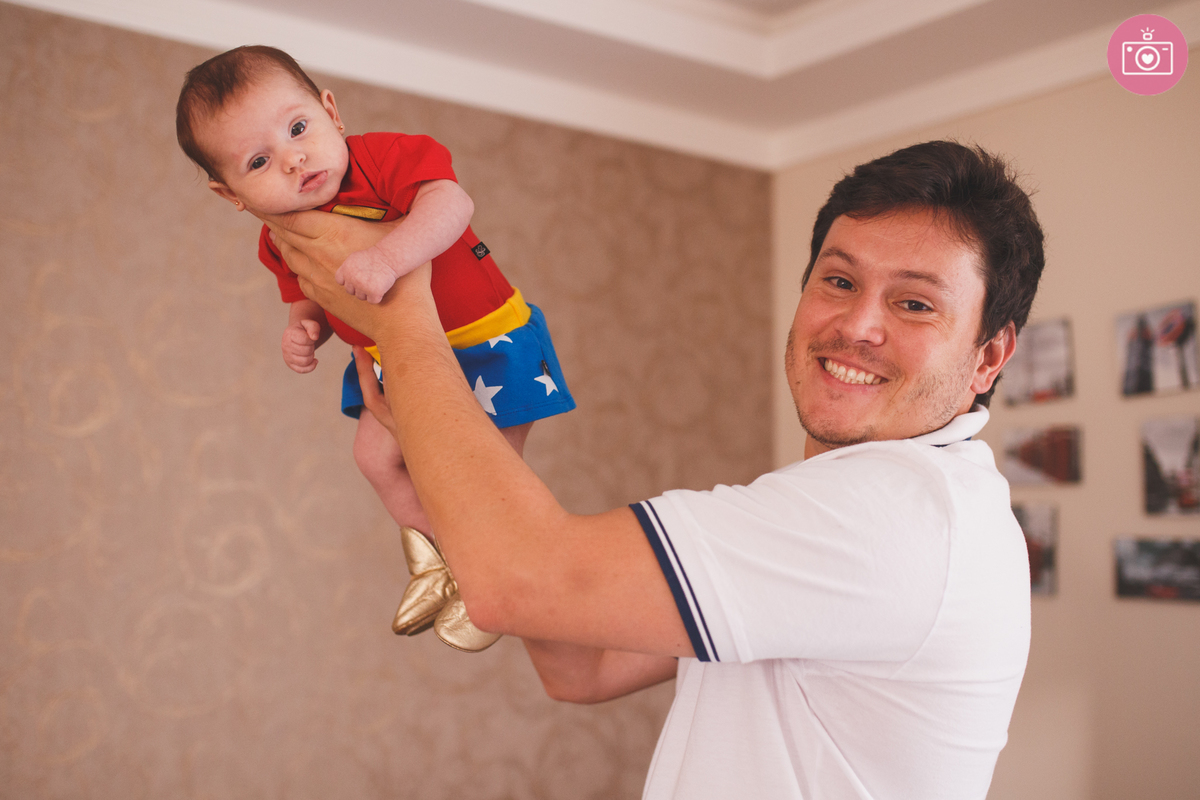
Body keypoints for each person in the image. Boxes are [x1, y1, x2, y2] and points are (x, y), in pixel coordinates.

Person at [256, 140, 1044, 798]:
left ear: (988, 356)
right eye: (838, 281)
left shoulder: (898, 508)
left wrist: (401, 309)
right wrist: (428, 495)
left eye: (915, 305)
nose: (857, 325)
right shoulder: (883, 508)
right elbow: (582, 664)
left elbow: (519, 584)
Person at [175, 46, 575, 650]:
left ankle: (495, 572)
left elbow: (452, 205)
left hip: (487, 337)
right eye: (258, 161)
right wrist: (304, 326)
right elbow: (309, 293)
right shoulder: (280, 238)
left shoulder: (386, 157)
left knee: (491, 468)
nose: (293, 159)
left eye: (298, 128)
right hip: (393, 362)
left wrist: (388, 258)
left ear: (330, 111)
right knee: (374, 458)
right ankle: (445, 563)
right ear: (230, 193)